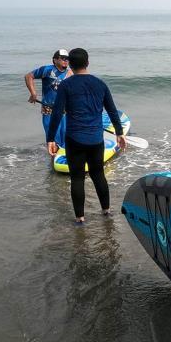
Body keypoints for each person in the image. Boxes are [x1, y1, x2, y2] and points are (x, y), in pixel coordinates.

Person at [46, 48, 126, 224]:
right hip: (96, 140)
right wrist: (119, 133)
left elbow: (57, 114)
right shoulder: (100, 84)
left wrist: (50, 139)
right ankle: (106, 211)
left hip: (74, 140)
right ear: (87, 63)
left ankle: (80, 219)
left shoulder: (66, 85)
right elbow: (112, 110)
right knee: (98, 175)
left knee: (77, 178)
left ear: (71, 66)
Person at [25, 49, 71, 147]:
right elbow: (29, 76)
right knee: (53, 139)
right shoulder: (47, 70)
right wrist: (33, 93)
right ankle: (52, 158)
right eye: (63, 58)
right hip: (48, 109)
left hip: (65, 110)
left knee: (66, 138)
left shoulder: (70, 73)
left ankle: (65, 158)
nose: (66, 60)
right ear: (55, 60)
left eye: (67, 59)